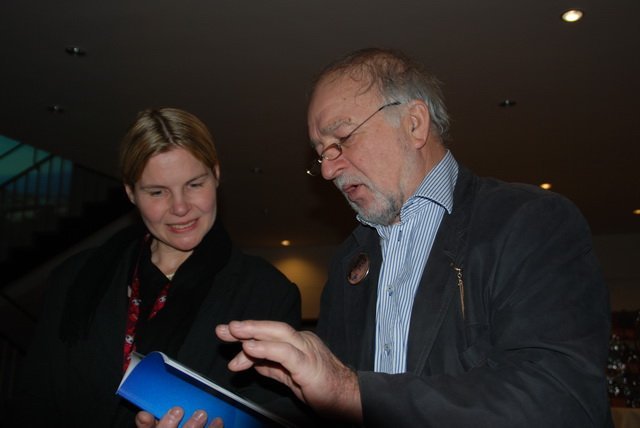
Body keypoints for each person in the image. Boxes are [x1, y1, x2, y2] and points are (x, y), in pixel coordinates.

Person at [142, 48, 613, 428]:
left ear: (414, 123)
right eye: (321, 153)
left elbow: (561, 398)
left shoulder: (528, 221)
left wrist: (352, 392)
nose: (328, 170)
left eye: (342, 140)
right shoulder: (352, 261)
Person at [9, 107, 302, 427]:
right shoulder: (74, 277)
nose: (180, 207)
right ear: (130, 192)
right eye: (158, 192)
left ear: (216, 175)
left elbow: (273, 415)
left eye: (194, 184)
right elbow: (34, 400)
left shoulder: (268, 292)